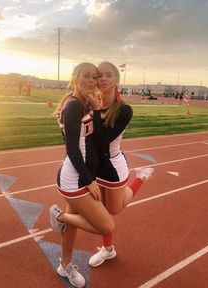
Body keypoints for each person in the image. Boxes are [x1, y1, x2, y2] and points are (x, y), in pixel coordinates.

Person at [80, 61, 154, 267]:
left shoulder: (124, 110)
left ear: (116, 80)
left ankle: (140, 178)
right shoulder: (89, 104)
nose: (102, 79)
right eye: (98, 75)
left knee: (113, 210)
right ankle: (108, 249)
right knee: (102, 213)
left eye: (108, 75)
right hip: (95, 167)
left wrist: (94, 109)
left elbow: (102, 140)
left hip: (113, 167)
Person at [49, 62, 115, 288]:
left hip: (83, 174)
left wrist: (97, 108)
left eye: (94, 77)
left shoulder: (84, 104)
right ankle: (59, 217)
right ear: (75, 78)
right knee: (106, 226)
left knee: (74, 226)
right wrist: (88, 180)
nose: (92, 81)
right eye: (86, 76)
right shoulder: (73, 106)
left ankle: (64, 265)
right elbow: (73, 149)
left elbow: (96, 142)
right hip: (74, 178)